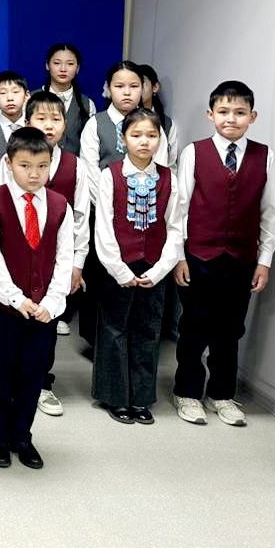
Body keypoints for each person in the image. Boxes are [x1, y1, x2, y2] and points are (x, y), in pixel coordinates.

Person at [172, 80, 275, 428]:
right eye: (223, 111)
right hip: (199, 256)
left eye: (240, 112)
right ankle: (187, 391)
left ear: (252, 116)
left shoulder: (264, 156)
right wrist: (179, 255)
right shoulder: (194, 153)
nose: (231, 118)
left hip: (241, 259)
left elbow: (269, 212)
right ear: (210, 114)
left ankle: (221, 394)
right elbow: (180, 208)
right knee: (194, 325)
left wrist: (264, 260)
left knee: (231, 329)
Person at [0, 127, 74, 470]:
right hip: (4, 309)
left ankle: (22, 435)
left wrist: (51, 303)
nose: (34, 174)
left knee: (32, 376)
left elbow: (64, 259)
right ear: (8, 163)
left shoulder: (60, 206)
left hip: (43, 311)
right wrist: (17, 299)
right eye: (25, 166)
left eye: (42, 166)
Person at [2, 91, 92, 416]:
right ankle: (7, 383)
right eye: (41, 118)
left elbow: (81, 218)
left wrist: (77, 264)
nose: (49, 125)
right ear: (27, 122)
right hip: (15, 260)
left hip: (53, 263)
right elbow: (1, 208)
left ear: (65, 125)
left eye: (56, 119)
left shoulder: (75, 166)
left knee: (46, 324)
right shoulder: (10, 162)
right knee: (11, 325)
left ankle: (40, 384)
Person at [92, 108, 183, 425]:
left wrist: (160, 270)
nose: (144, 141)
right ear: (123, 139)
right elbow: (104, 227)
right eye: (136, 135)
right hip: (118, 265)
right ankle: (115, 396)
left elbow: (176, 227)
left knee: (148, 330)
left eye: (152, 135)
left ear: (160, 140)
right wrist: (118, 269)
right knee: (114, 329)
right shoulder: (111, 175)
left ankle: (141, 398)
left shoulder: (169, 178)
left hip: (154, 267)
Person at [41, 42, 96, 154]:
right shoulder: (31, 99)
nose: (63, 69)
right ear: (47, 65)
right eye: (57, 63)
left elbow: (90, 146)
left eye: (70, 64)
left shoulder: (87, 104)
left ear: (77, 68)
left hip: (74, 163)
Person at [138, 64, 180, 168]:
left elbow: (171, 163)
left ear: (155, 87)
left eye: (142, 83)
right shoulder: (123, 119)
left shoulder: (167, 124)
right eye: (134, 85)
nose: (137, 88)